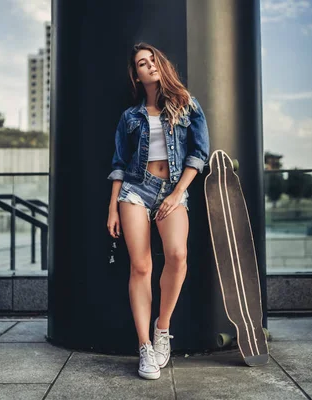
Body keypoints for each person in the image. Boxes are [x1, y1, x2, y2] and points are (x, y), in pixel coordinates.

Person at [106, 42, 210, 380]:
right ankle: (144, 348)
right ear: (136, 74)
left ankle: (161, 328)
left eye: (152, 61)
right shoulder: (130, 117)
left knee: (177, 255)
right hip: (136, 189)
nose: (148, 66)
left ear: (160, 65)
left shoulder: (185, 104)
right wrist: (112, 208)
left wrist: (178, 193)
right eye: (141, 63)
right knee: (141, 265)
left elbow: (199, 153)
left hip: (173, 190)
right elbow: (120, 164)